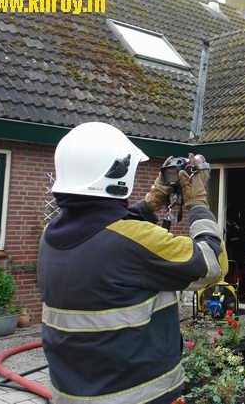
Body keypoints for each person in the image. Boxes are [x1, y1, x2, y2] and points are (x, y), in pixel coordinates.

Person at [37, 122, 227, 404]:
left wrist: (151, 203)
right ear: (119, 173)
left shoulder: (50, 237)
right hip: (137, 395)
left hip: (71, 395)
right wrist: (198, 203)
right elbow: (213, 263)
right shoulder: (134, 240)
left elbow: (105, 226)